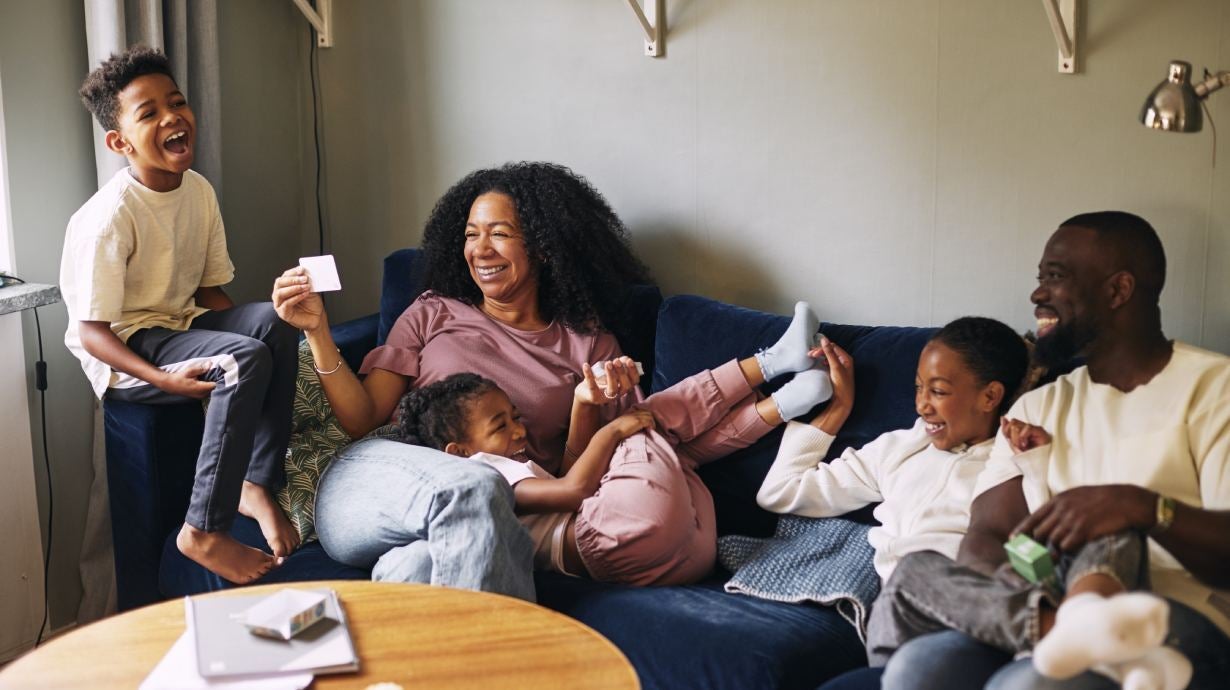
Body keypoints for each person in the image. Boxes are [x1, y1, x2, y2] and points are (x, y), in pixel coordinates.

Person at [876, 212, 1230, 690]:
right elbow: (986, 536)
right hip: (1046, 600)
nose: (1038, 294)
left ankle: (1089, 636)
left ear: (1117, 290)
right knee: (917, 663)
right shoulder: (1038, 406)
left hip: (1178, 616)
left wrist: (1143, 507)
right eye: (1040, 279)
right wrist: (1025, 594)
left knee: (1027, 684)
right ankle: (1064, 630)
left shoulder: (1215, 390)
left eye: (1056, 277)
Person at [272, 162, 658, 600]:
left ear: (544, 248)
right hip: (373, 483)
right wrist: (317, 332)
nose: (481, 250)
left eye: (499, 233)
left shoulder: (588, 346)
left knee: (422, 565)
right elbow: (361, 418)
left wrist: (584, 406)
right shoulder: (433, 310)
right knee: (478, 484)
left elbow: (566, 481)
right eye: (472, 234)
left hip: (492, 511)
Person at [61, 46, 299, 584]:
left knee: (276, 323)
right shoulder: (110, 217)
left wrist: (265, 344)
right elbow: (90, 332)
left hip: (179, 323)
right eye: (148, 113)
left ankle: (255, 482)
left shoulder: (198, 192)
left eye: (177, 103)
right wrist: (165, 380)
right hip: (127, 347)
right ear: (119, 142)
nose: (172, 117)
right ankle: (203, 530)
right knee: (239, 360)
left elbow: (211, 293)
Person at [393, 334, 833, 586]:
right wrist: (610, 428)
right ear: (460, 452)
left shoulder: (510, 470)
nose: (519, 430)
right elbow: (574, 489)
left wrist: (585, 409)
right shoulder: (479, 475)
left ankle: (787, 403)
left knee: (673, 450)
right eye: (500, 426)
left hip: (676, 559)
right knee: (644, 419)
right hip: (611, 537)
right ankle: (772, 362)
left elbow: (571, 474)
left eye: (515, 416)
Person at [757, 316, 1029, 583]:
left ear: (990, 396)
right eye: (919, 388)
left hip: (976, 595)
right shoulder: (898, 450)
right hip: (902, 604)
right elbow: (779, 492)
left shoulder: (1016, 465)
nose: (922, 405)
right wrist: (838, 407)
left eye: (939, 392)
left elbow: (1037, 556)